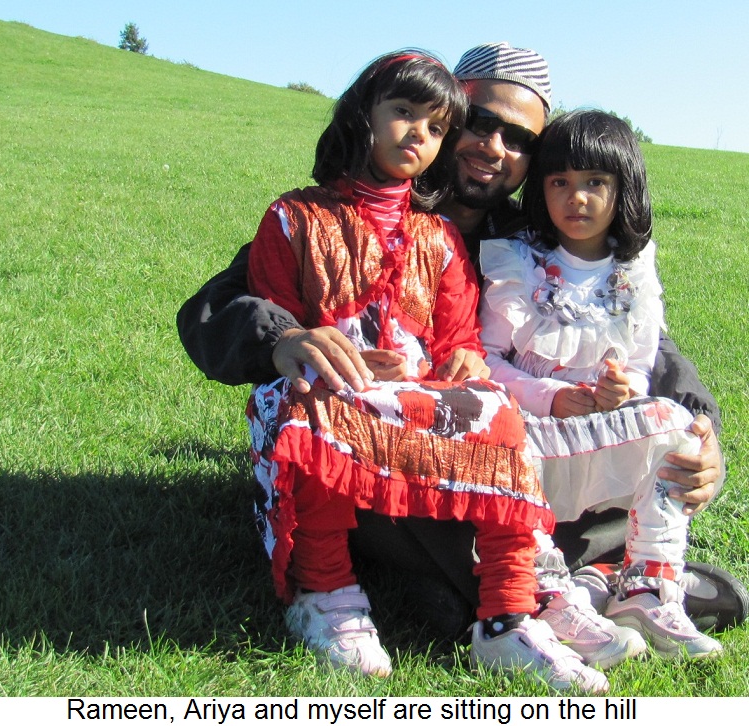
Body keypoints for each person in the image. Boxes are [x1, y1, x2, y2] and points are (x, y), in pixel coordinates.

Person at [177, 43, 748, 637]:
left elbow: (636, 332)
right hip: (385, 446)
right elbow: (214, 308)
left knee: (585, 466)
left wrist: (700, 428)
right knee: (403, 490)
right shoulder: (355, 210)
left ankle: (542, 580)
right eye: (480, 123)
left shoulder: (536, 238)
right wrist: (286, 336)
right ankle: (567, 584)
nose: (494, 148)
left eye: (519, 139)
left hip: (514, 453)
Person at [244, 49, 611, 691]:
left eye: (436, 126)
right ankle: (325, 593)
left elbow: (459, 335)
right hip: (330, 395)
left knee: (499, 411)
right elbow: (266, 309)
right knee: (312, 403)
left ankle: (507, 615)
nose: (419, 134)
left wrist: (464, 359)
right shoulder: (294, 217)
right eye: (404, 113)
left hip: (413, 405)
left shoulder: (440, 237)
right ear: (363, 113)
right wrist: (300, 341)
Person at [480, 109, 723, 658]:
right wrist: (553, 398)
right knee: (502, 438)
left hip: (600, 436)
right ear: (541, 189)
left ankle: (647, 584)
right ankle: (546, 591)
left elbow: (641, 361)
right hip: (531, 439)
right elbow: (487, 360)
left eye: (595, 182)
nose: (578, 198)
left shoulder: (634, 271)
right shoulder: (516, 263)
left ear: (623, 188)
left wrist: (623, 389)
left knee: (677, 425)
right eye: (559, 182)